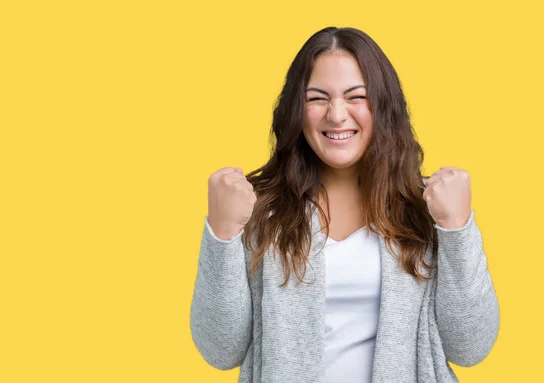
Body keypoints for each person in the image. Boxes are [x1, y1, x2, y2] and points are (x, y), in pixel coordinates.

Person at [190, 26, 499, 383]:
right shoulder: (258, 210)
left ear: (384, 106)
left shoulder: (426, 209)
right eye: (317, 98)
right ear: (296, 110)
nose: (337, 115)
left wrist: (457, 230)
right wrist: (222, 234)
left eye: (356, 96)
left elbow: (471, 348)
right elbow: (219, 350)